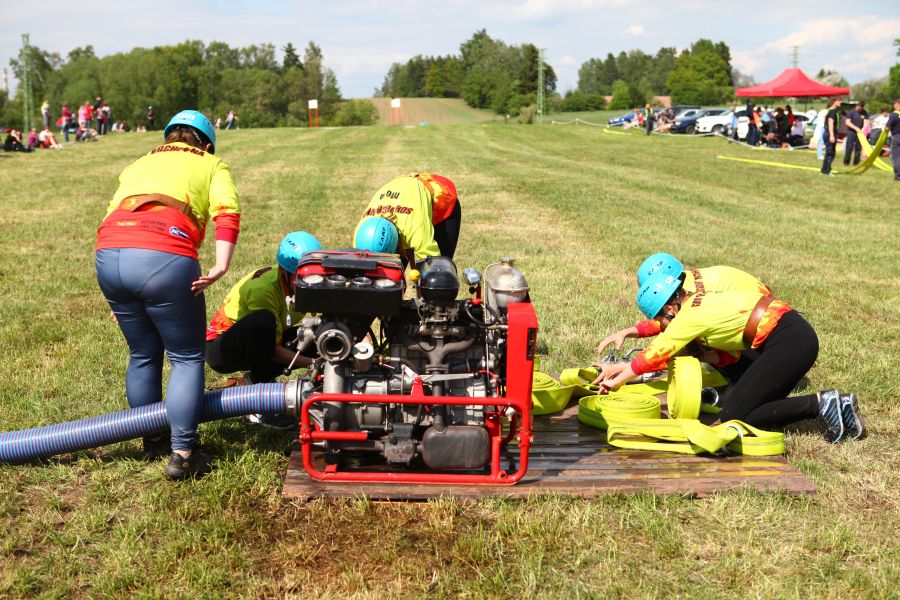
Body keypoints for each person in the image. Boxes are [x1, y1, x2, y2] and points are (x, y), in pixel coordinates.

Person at [94, 109, 241, 479]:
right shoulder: (210, 163)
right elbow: (227, 212)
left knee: (142, 354)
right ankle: (184, 453)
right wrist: (220, 265)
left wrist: (119, 294)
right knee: (187, 357)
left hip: (110, 255)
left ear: (169, 137)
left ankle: (154, 437)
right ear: (206, 144)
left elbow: (111, 215)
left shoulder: (139, 162)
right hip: (165, 254)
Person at [593, 271, 864, 443]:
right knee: (744, 402)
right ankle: (840, 408)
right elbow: (726, 354)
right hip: (790, 336)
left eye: (659, 318)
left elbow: (654, 355)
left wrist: (616, 381)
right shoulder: (697, 301)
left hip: (789, 342)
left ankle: (820, 403)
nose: (661, 324)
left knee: (737, 415)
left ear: (669, 310)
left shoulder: (689, 317)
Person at [596, 253, 771, 383]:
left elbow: (668, 339)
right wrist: (627, 332)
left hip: (759, 325)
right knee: (693, 342)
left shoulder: (691, 298)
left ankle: (746, 374)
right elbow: (664, 322)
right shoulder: (684, 284)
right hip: (763, 312)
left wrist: (626, 369)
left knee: (694, 342)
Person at [206, 232, 321, 428]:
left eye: (315, 275)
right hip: (222, 348)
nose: (310, 282)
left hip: (263, 341)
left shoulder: (298, 284)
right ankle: (259, 401)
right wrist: (315, 364)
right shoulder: (264, 290)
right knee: (263, 321)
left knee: (319, 336)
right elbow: (271, 350)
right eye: (302, 277)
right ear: (285, 272)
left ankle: (251, 380)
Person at [353, 172, 461, 261]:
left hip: (442, 200)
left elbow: (434, 264)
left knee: (442, 265)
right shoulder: (360, 237)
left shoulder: (416, 229)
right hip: (402, 190)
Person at [821, 97, 842, 176]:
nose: (840, 102)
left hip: (829, 133)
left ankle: (824, 170)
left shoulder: (831, 111)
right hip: (830, 134)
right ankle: (827, 171)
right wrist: (832, 135)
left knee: (830, 153)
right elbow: (830, 123)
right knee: (830, 153)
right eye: (839, 101)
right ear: (834, 102)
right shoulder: (832, 111)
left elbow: (825, 120)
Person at [843, 101, 868, 166]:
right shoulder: (851, 112)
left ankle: (856, 163)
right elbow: (847, 122)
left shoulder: (864, 112)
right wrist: (855, 128)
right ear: (857, 106)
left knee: (858, 148)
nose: (861, 109)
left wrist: (864, 128)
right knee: (849, 147)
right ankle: (846, 162)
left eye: (862, 107)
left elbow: (866, 121)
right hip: (851, 132)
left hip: (860, 133)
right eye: (860, 107)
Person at [887, 98, 900, 181]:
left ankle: (898, 176)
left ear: (897, 104)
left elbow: (887, 128)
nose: (893, 106)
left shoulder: (894, 115)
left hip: (897, 137)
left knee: (897, 156)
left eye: (894, 104)